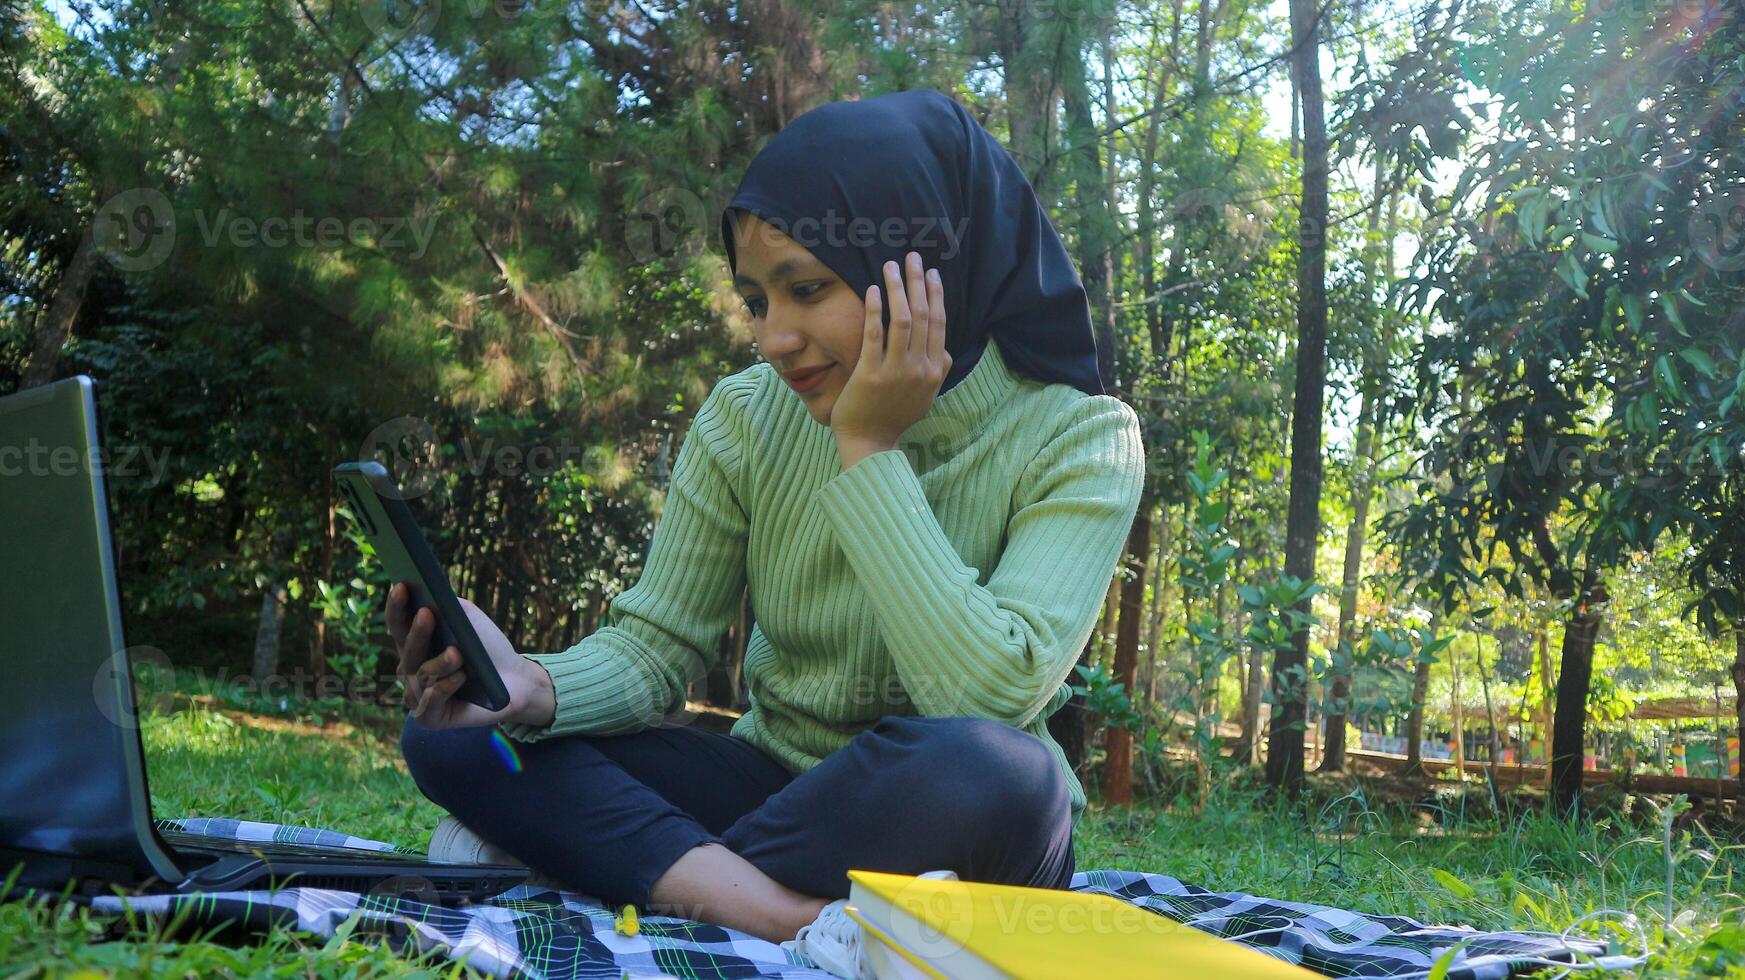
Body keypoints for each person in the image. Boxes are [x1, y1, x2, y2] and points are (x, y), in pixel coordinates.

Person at [392, 87, 1146, 974]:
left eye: (807, 288)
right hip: (776, 787)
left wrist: (868, 448)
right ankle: (785, 913)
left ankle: (622, 854)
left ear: (925, 266)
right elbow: (653, 651)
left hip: (952, 810)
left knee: (1004, 772)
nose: (775, 338)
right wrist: (525, 684)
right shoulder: (748, 417)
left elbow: (983, 700)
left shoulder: (1082, 437)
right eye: (757, 300)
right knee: (459, 731)